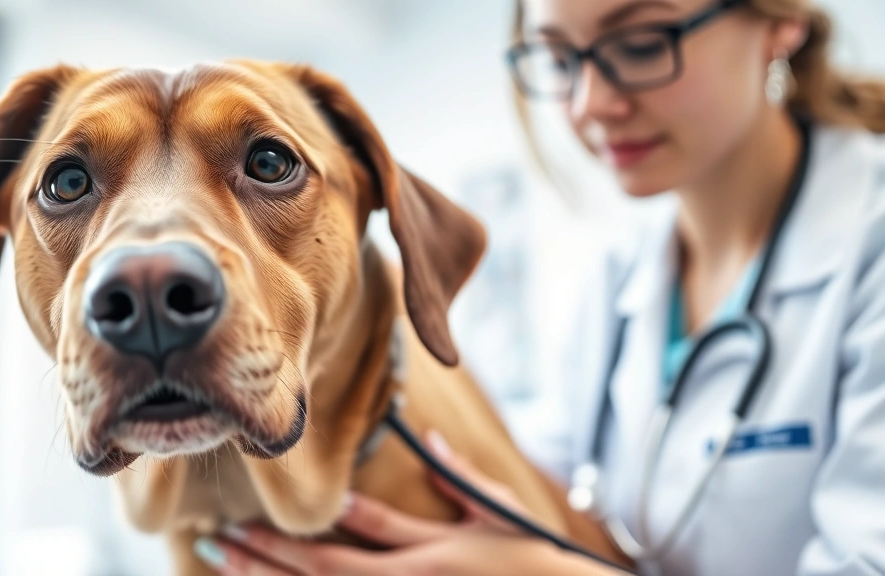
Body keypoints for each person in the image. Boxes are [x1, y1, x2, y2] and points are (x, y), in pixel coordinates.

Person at [193, 0, 885, 573]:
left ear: (782, 20)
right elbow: (556, 494)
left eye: (643, 42)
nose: (591, 102)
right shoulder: (620, 278)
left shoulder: (868, 241)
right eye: (560, 59)